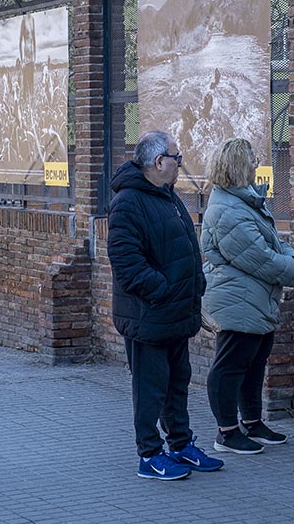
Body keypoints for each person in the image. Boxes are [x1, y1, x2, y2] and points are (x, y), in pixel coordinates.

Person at [107, 131, 223, 481]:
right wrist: (164, 291)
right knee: (151, 389)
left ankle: (181, 445)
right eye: (177, 158)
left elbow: (184, 248)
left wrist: (193, 290)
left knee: (177, 384)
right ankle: (150, 455)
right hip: (149, 316)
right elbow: (127, 263)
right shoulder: (129, 202)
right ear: (159, 162)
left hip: (174, 314)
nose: (179, 164)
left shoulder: (167, 197)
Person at [200, 138, 294, 455]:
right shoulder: (227, 210)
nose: (257, 165)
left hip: (253, 298)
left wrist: (289, 258)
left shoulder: (244, 202)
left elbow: (274, 243)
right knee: (230, 366)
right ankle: (227, 433)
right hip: (238, 300)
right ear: (238, 166)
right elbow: (260, 258)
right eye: (252, 160)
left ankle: (253, 422)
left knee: (254, 363)